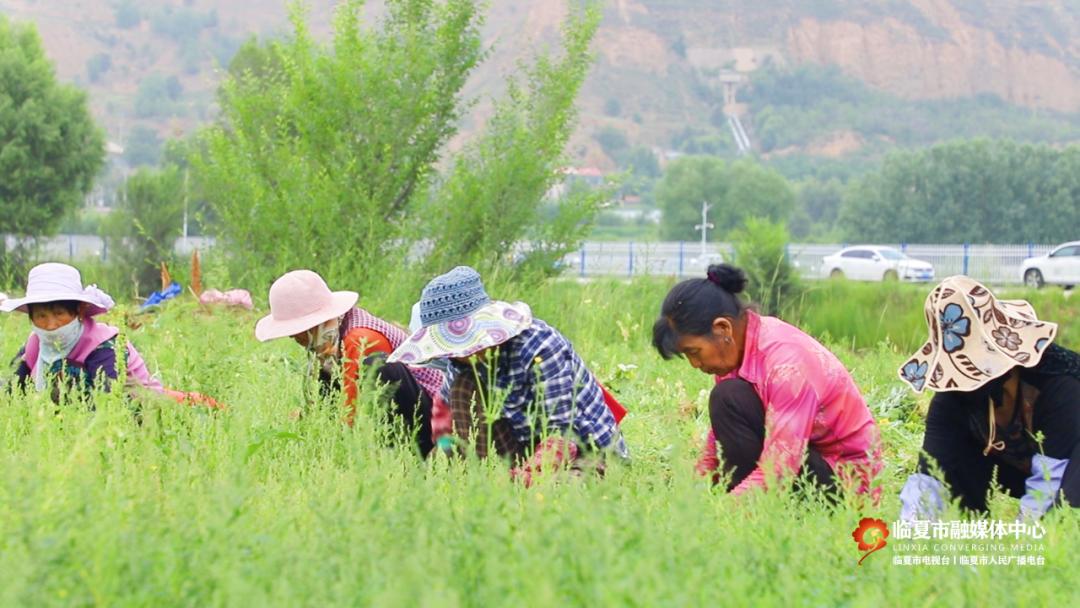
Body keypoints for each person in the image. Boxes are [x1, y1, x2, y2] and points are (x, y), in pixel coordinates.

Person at [652, 264, 881, 497]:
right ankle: (751, 503)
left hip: (846, 485)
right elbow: (719, 441)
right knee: (728, 398)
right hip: (804, 459)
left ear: (722, 329)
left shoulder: (786, 365)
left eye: (694, 352)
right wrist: (692, 494)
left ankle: (757, 511)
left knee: (727, 397)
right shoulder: (739, 351)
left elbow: (780, 469)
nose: (695, 364)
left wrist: (722, 514)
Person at [388, 266, 628, 483]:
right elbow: (444, 421)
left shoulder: (540, 347)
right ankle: (485, 477)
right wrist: (444, 461)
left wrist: (523, 479)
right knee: (461, 388)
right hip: (519, 446)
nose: (456, 355)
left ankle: (513, 483)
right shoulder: (461, 362)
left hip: (583, 451)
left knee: (562, 489)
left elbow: (561, 435)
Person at [897, 276, 1080, 520]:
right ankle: (971, 528)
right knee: (955, 453)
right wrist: (909, 538)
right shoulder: (952, 401)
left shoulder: (1058, 385)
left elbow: (1049, 485)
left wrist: (1022, 546)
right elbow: (929, 477)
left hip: (1068, 468)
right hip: (1017, 470)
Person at [255, 270, 444, 456]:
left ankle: (402, 453)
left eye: (295, 329)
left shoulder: (359, 338)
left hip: (434, 422)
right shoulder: (332, 339)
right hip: (407, 411)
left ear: (312, 325)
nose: (291, 336)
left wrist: (337, 450)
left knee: (377, 366)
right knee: (325, 373)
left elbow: (352, 409)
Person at [2, 262, 220, 408]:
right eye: (41, 316)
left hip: (141, 408)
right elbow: (11, 390)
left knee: (195, 406)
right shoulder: (34, 346)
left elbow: (107, 401)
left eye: (59, 314)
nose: (50, 325)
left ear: (78, 311)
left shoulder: (103, 346)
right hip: (70, 418)